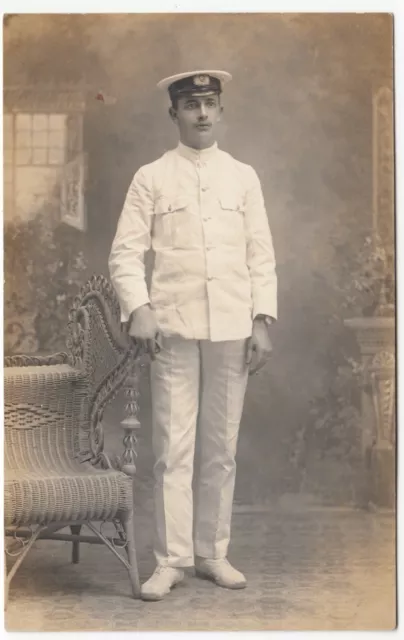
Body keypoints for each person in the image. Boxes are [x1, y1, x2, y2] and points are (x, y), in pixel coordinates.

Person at [109, 70, 277, 601]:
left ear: (221, 110)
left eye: (209, 103)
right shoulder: (151, 177)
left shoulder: (243, 177)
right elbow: (125, 254)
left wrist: (262, 320)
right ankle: (172, 559)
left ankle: (212, 553)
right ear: (173, 114)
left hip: (232, 324)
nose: (201, 113)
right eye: (190, 105)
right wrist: (139, 308)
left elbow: (261, 255)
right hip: (173, 328)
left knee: (220, 448)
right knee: (173, 449)